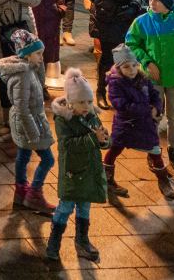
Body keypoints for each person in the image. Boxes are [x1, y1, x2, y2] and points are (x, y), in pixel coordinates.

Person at [125, 0, 174, 179]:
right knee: (154, 114)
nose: (152, 3)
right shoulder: (142, 22)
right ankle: (153, 149)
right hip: (152, 78)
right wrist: (147, 62)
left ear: (167, 1)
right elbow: (131, 43)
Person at [44, 68, 109, 263]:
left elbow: (101, 140)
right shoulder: (64, 120)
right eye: (82, 102)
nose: (87, 106)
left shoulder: (91, 116)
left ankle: (82, 240)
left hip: (89, 171)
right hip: (72, 172)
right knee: (65, 208)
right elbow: (67, 146)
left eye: (89, 102)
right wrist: (92, 138)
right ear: (70, 102)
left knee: (85, 207)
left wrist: (104, 139)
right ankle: (54, 241)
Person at [103, 43, 174, 200]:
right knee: (115, 148)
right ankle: (107, 177)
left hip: (145, 124)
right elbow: (120, 104)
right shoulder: (116, 83)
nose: (132, 70)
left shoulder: (143, 78)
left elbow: (155, 95)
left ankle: (163, 180)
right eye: (127, 67)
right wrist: (146, 109)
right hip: (126, 124)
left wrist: (156, 107)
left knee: (155, 150)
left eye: (135, 65)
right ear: (119, 68)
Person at [0, 28, 56, 215]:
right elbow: (22, 108)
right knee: (47, 159)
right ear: (26, 55)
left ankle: (21, 191)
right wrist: (34, 133)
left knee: (23, 156)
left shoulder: (29, 69)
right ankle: (34, 195)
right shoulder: (23, 75)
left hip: (27, 121)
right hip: (29, 123)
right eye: (38, 53)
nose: (41, 57)